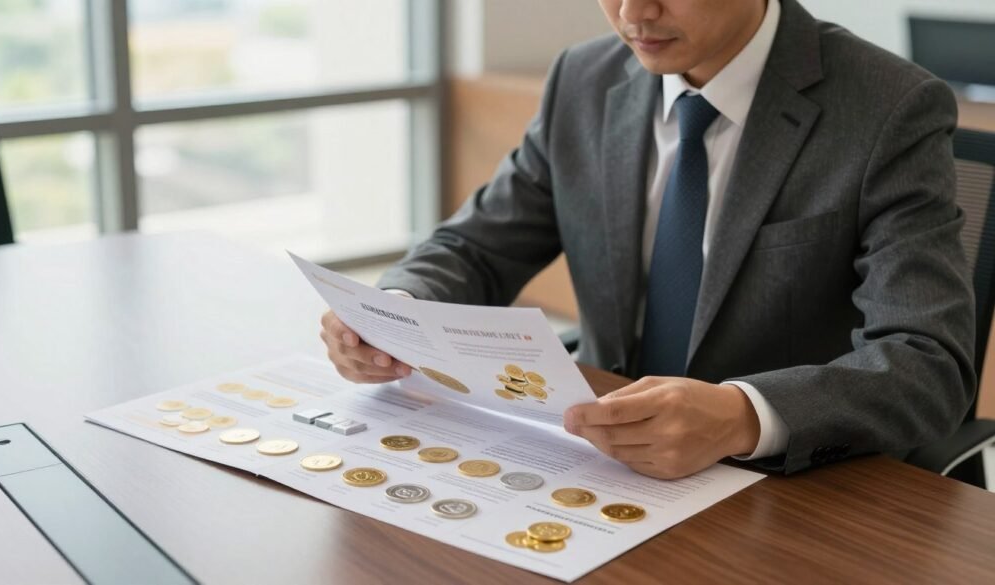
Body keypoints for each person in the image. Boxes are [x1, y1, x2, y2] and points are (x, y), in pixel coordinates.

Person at [320, 0, 976, 478]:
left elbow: (927, 363)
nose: (634, 12)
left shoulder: (889, 107)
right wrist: (392, 311)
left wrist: (741, 415)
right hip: (597, 460)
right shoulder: (584, 79)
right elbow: (475, 246)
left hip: (786, 485)